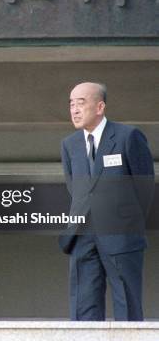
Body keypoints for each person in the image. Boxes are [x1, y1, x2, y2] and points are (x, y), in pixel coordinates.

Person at [59, 82, 154, 321]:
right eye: (71, 104)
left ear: (100, 106)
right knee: (83, 307)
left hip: (121, 233)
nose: (74, 110)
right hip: (82, 234)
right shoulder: (69, 145)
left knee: (127, 306)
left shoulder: (128, 136)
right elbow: (76, 189)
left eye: (81, 103)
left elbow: (144, 187)